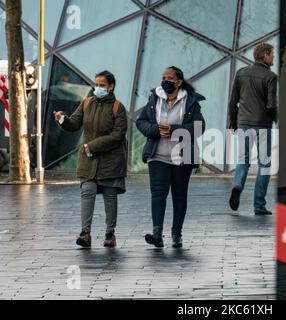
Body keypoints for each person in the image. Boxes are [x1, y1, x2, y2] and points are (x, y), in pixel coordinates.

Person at [53, 70, 128, 248]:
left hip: (111, 160)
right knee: (87, 192)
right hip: (89, 160)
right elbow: (74, 124)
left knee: (110, 196)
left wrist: (92, 146)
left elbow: (118, 135)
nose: (98, 88)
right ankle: (85, 233)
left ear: (111, 87)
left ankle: (110, 234)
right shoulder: (87, 103)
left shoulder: (118, 107)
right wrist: (62, 119)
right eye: (96, 84)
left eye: (102, 85)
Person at [136, 66, 205, 249]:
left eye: (169, 77)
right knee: (158, 194)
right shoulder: (154, 99)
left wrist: (174, 130)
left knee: (179, 195)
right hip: (157, 154)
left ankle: (176, 234)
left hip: (183, 156)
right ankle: (157, 233)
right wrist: (155, 130)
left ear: (179, 82)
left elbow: (199, 127)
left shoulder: (190, 101)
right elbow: (141, 121)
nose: (165, 80)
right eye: (163, 76)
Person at [228, 43, 278, 215]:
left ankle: (237, 185)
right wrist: (277, 120)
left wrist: (233, 123)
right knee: (264, 164)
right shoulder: (270, 77)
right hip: (262, 125)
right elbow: (271, 105)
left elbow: (232, 101)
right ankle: (259, 205)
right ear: (265, 56)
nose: (273, 57)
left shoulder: (241, 73)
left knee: (243, 159)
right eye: (272, 54)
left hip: (243, 123)